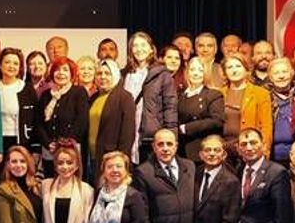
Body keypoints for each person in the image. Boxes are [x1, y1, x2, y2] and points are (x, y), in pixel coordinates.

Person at [123, 32, 178, 164]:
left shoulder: (162, 74)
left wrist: (171, 136)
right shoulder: (125, 74)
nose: (139, 49)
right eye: (135, 46)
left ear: (151, 49)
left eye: (143, 45)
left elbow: (170, 106)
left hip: (151, 135)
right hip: (128, 133)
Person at [35, 56, 89, 170]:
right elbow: (39, 123)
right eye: (57, 70)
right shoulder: (46, 95)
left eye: (65, 70)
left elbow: (81, 122)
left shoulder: (79, 92)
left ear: (71, 74)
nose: (61, 73)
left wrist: (64, 145)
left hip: (71, 149)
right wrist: (48, 143)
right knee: (50, 179)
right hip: (49, 150)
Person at [89, 59, 136, 177]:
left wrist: (122, 159)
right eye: (99, 73)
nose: (102, 77)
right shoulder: (94, 97)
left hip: (111, 157)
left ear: (115, 75)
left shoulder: (124, 97)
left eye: (107, 73)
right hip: (91, 157)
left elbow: (128, 133)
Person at [221, 55, 273, 161]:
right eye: (230, 67)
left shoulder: (261, 93)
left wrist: (264, 151)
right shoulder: (219, 93)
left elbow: (266, 126)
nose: (234, 70)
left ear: (246, 69)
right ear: (225, 72)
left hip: (249, 148)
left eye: (238, 66)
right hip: (224, 149)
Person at [177, 57, 224, 162]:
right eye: (192, 69)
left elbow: (217, 121)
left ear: (206, 73)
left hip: (202, 150)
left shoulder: (213, 95)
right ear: (187, 72)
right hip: (181, 150)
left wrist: (186, 128)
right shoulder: (180, 95)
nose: (196, 73)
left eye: (200, 70)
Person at [0, 48, 28, 153]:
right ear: (0, 65)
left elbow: (34, 120)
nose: (11, 66)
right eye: (7, 62)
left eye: (15, 63)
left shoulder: (25, 88)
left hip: (18, 139)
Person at [268, 57, 295, 166]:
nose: (281, 76)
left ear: (291, 74)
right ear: (270, 77)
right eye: (276, 73)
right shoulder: (264, 97)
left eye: (284, 71)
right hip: (273, 157)